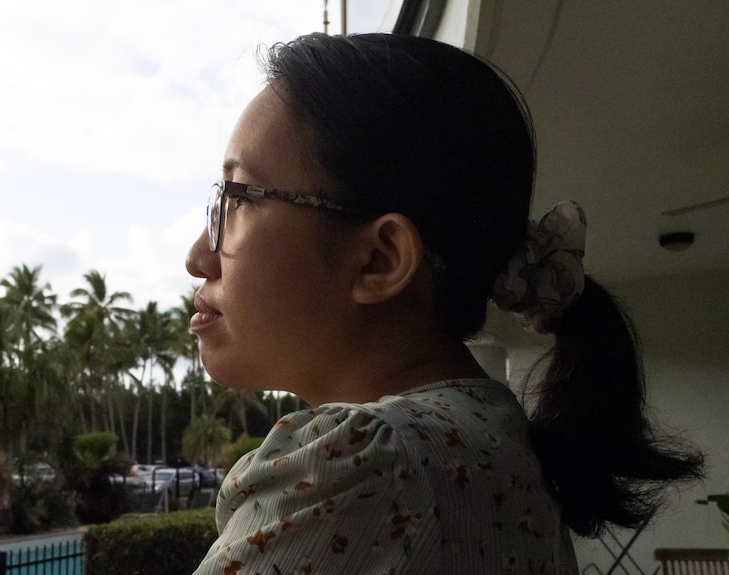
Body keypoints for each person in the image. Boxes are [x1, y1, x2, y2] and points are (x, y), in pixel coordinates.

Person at [185, 32, 702, 574]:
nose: (199, 255)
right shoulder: (483, 440)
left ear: (380, 259)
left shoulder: (373, 465)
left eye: (236, 200)